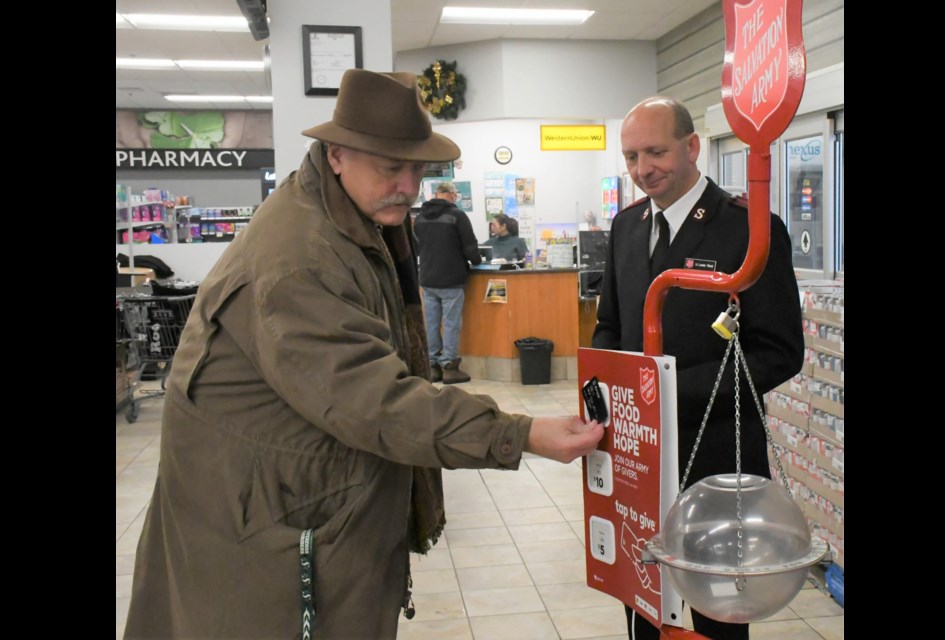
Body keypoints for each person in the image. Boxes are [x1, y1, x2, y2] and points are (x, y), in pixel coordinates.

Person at [123, 69, 604, 640]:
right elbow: (374, 399)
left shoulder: (347, 218)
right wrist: (519, 434)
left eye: (417, 168)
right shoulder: (297, 259)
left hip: (285, 506)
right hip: (264, 531)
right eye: (390, 166)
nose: (408, 184)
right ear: (336, 156)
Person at [591, 96, 804, 640]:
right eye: (632, 156)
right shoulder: (626, 228)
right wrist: (607, 402)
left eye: (656, 152)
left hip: (717, 454)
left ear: (692, 146)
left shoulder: (749, 231)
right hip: (640, 456)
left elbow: (779, 350)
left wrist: (668, 394)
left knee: (716, 612)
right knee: (642, 599)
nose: (643, 170)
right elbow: (611, 328)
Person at [414, 181, 481, 384]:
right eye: (455, 195)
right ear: (451, 195)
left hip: (427, 277)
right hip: (451, 278)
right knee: (451, 324)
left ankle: (432, 367)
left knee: (431, 323)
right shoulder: (457, 216)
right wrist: (477, 261)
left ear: (436, 194)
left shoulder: (420, 217)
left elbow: (416, 246)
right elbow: (470, 246)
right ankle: (450, 367)